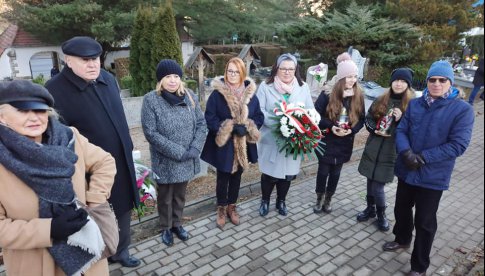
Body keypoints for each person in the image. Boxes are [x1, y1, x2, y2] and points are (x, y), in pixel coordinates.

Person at [0, 80, 115, 275]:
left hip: (87, 257)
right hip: (36, 264)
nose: (34, 118)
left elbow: (105, 162)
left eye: (40, 110)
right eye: (22, 111)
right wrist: (48, 229)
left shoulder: (69, 137)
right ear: (2, 116)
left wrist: (94, 201)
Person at [45, 36, 141, 267]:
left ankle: (121, 250)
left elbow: (118, 118)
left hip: (119, 162)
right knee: (96, 216)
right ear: (68, 60)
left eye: (96, 58)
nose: (93, 64)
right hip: (87, 172)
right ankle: (97, 260)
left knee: (124, 208)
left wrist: (128, 146)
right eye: (85, 59)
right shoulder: (54, 90)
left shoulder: (107, 79)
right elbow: (55, 139)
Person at [382, 61, 474, 276]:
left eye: (442, 80)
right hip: (407, 168)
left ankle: (419, 266)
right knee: (401, 210)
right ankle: (402, 239)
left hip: (433, 175)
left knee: (424, 222)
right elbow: (402, 129)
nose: (436, 83)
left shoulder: (462, 110)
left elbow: (458, 144)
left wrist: (423, 158)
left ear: (450, 82)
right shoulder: (415, 104)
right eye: (432, 79)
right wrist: (405, 153)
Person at [141, 59, 207, 246]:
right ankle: (166, 227)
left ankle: (177, 224)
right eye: (168, 76)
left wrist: (195, 148)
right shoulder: (151, 100)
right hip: (166, 159)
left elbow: (202, 124)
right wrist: (178, 152)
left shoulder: (190, 96)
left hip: (188, 156)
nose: (172, 80)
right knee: (165, 196)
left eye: (176, 76)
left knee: (180, 194)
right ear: (160, 80)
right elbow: (150, 133)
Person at [201, 57, 264, 229]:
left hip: (243, 144)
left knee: (237, 176)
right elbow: (210, 118)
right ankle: (221, 208)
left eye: (236, 71)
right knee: (223, 177)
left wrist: (248, 127)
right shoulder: (217, 94)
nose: (233, 74)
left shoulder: (251, 94)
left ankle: (232, 207)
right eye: (230, 71)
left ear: (242, 73)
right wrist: (229, 128)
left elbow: (259, 116)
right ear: (225, 72)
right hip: (225, 144)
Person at [356, 68, 414, 231]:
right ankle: (370, 209)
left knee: (378, 186)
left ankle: (381, 214)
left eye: (403, 81)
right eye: (396, 80)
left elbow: (414, 129)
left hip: (391, 151)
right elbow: (368, 118)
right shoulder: (381, 99)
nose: (399, 83)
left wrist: (401, 118)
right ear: (391, 82)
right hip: (374, 147)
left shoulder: (411, 105)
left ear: (408, 85)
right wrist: (374, 130)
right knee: (370, 180)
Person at [256, 53, 314, 216]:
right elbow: (258, 110)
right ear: (277, 68)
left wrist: (301, 124)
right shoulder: (266, 86)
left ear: (295, 70)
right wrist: (278, 122)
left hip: (293, 140)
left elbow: (309, 110)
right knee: (269, 175)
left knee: (287, 176)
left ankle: (281, 201)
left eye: (291, 69)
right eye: (283, 68)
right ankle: (265, 201)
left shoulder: (303, 87)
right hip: (272, 139)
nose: (287, 72)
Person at [313, 56, 365, 214]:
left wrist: (352, 130)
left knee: (335, 173)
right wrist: (331, 126)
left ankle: (329, 198)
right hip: (327, 140)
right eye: (349, 76)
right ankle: (319, 198)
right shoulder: (327, 94)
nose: (352, 80)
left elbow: (361, 119)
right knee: (323, 172)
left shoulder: (358, 95)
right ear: (341, 77)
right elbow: (315, 115)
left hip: (344, 142)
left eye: (355, 76)